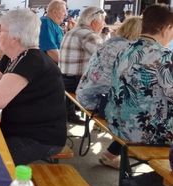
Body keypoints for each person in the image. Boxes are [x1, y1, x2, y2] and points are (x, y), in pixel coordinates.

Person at [0, 9, 67, 165]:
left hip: (39, 139)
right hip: (19, 130)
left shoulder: (31, 60)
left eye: (1, 30)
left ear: (15, 36)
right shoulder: (12, 56)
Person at [76, 17, 142, 169]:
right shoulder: (131, 49)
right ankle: (112, 154)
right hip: (98, 100)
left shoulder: (110, 43)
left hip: (86, 93)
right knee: (141, 115)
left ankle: (119, 150)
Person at [105, 4, 173, 145]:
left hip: (116, 124)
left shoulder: (124, 50)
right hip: (146, 133)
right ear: (166, 28)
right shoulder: (164, 56)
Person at [59, 6, 106, 125]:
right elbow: (107, 57)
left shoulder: (72, 31)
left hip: (64, 80)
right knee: (112, 88)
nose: (104, 25)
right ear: (94, 22)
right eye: (103, 21)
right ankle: (105, 122)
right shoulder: (88, 35)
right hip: (76, 82)